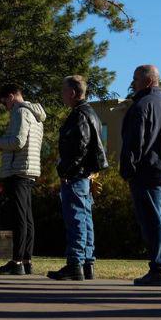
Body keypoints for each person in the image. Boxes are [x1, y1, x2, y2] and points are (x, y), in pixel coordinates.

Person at [119, 65, 161, 287]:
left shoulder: (141, 106)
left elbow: (133, 143)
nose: (133, 83)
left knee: (152, 221)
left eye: (136, 79)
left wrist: (127, 170)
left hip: (149, 172)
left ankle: (159, 269)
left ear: (147, 81)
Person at [48, 75, 106, 281]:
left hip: (76, 174)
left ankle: (75, 263)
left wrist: (65, 169)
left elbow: (79, 147)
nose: (62, 95)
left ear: (73, 92)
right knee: (85, 217)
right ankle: (87, 263)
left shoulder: (79, 115)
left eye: (64, 91)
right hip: (84, 173)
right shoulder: (91, 113)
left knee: (76, 219)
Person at [0, 83, 46, 276]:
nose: (5, 107)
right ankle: (27, 260)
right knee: (27, 218)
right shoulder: (36, 114)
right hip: (30, 169)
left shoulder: (20, 112)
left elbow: (17, 142)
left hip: (19, 170)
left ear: (11, 96)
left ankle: (17, 261)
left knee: (19, 218)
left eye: (4, 102)